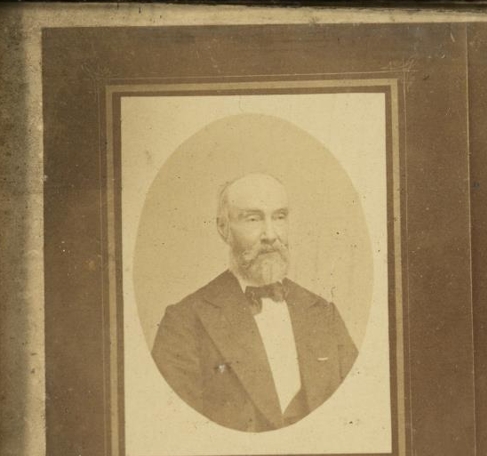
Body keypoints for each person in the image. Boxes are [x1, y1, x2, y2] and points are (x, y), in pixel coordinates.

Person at [151, 173, 358, 432]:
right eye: (253, 219)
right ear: (223, 228)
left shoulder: (324, 314)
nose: (270, 235)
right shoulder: (184, 323)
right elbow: (178, 430)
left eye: (279, 217)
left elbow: (357, 412)